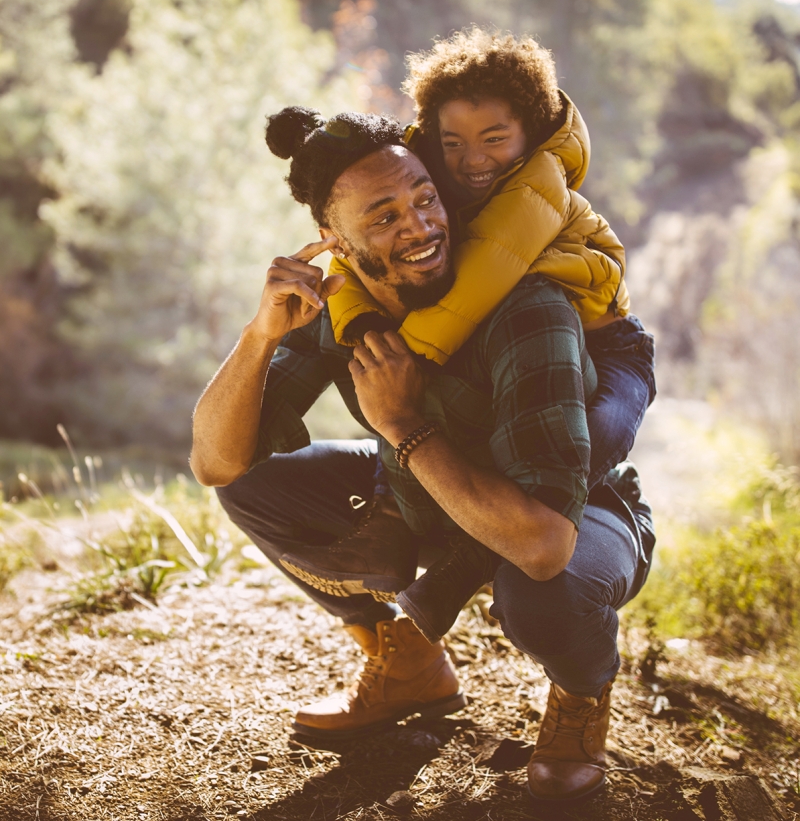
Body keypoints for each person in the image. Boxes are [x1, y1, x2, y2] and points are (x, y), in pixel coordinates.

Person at [190, 107, 655, 806]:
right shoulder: (343, 305)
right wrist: (260, 337)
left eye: (425, 199)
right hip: (429, 495)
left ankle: (581, 696)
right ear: (334, 241)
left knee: (541, 592)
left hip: (579, 511)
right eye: (383, 217)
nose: (420, 226)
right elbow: (216, 463)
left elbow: (542, 543)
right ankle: (405, 663)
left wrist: (403, 424)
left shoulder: (527, 308)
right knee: (256, 486)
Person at [279, 30, 656, 641]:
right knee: (407, 417)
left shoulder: (536, 187)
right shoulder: (436, 185)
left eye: (494, 140)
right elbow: (352, 264)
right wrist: (356, 312)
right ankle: (395, 543)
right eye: (451, 142)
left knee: (598, 438)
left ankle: (470, 564)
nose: (472, 159)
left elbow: (479, 280)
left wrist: (408, 357)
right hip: (542, 338)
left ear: (531, 134)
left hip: (611, 348)